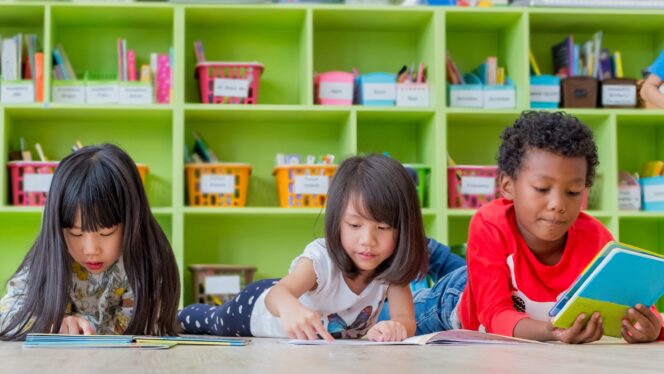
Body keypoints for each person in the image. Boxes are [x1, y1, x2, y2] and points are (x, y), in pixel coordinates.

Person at [415, 111, 664, 343]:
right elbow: (493, 315)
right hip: (453, 301)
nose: (558, 204)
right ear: (507, 185)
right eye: (542, 189)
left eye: (573, 192)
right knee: (386, 318)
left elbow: (642, 310)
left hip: (491, 274)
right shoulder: (489, 223)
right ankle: (421, 248)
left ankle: (432, 252)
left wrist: (651, 329)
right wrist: (551, 331)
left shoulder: (597, 239)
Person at [178, 154, 428, 342]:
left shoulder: (390, 270)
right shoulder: (321, 258)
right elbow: (278, 294)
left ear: (402, 229)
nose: (368, 240)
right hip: (255, 310)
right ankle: (174, 316)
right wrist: (290, 308)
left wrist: (398, 328)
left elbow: (406, 319)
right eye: (354, 225)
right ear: (337, 221)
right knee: (213, 321)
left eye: (383, 228)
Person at [0, 144, 180, 340]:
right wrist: (53, 323)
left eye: (106, 232)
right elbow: (7, 315)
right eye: (75, 234)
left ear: (132, 221)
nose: (91, 250)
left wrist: (83, 329)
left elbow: (147, 328)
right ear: (58, 228)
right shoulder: (50, 255)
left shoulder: (148, 263)